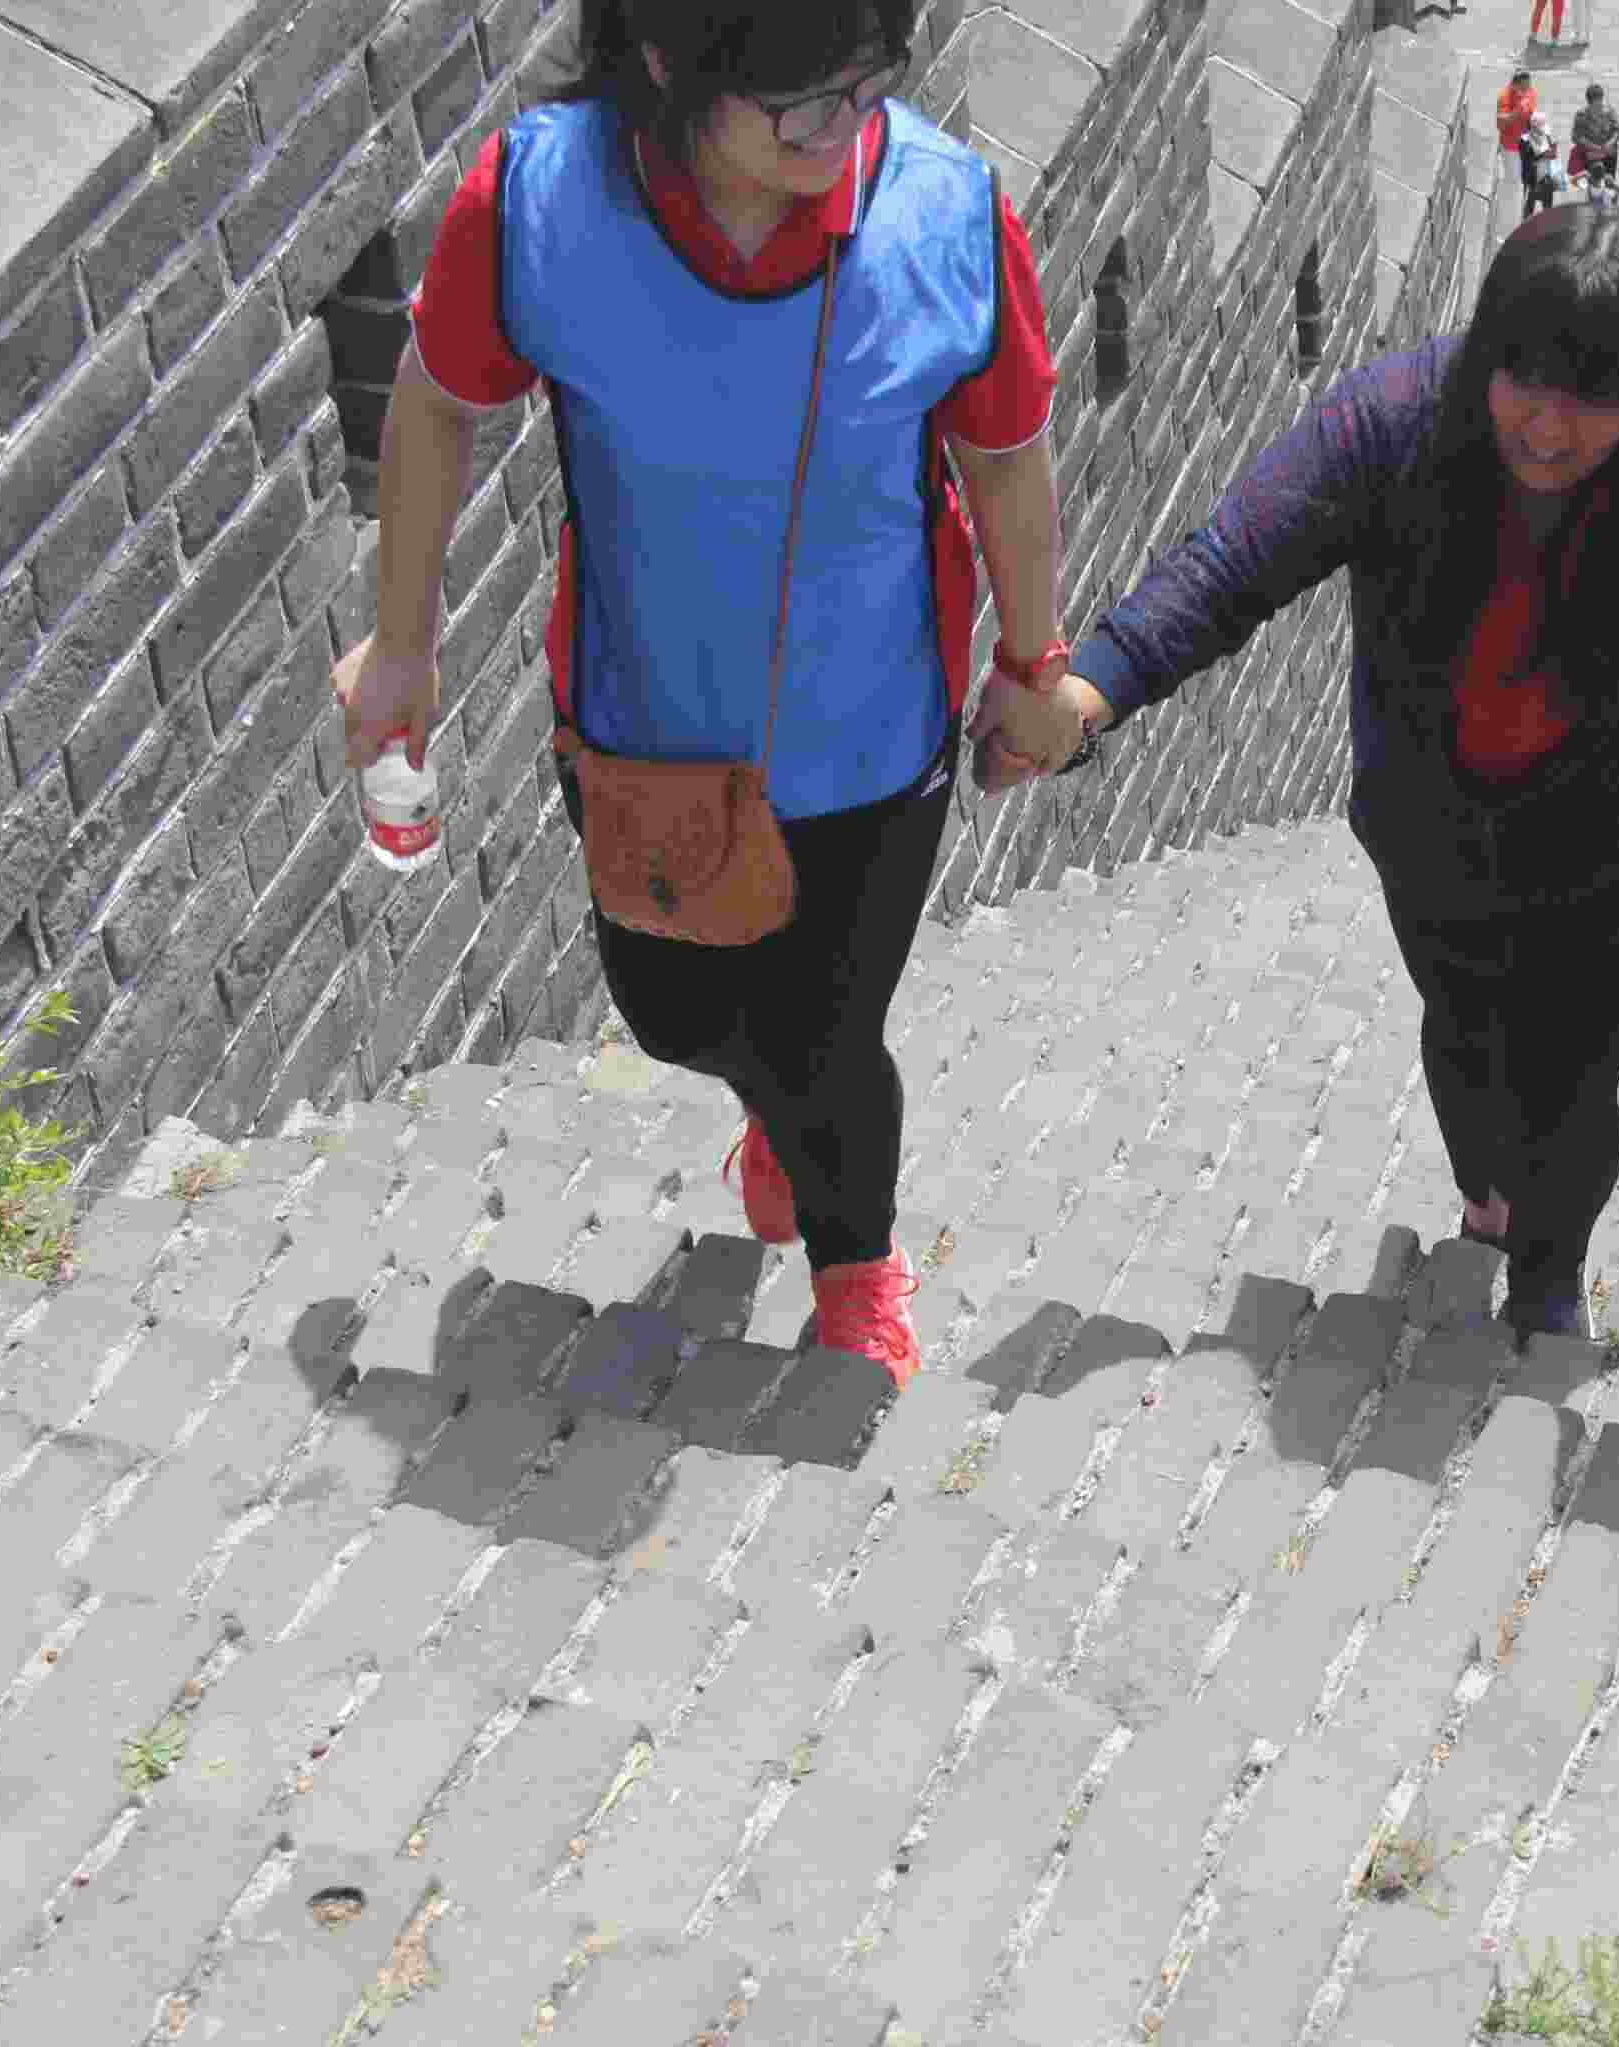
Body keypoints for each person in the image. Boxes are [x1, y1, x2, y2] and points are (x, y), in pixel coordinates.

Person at [338, 0, 1087, 1384]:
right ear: (666, 62)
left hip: (871, 738)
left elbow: (1006, 458)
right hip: (643, 727)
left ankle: (855, 1267)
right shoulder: (540, 204)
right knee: (672, 1014)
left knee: (828, 1040)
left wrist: (1034, 663)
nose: (845, 128)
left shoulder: (948, 221)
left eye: (872, 81)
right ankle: (769, 1104)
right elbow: (437, 398)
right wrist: (402, 643)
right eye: (801, 102)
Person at [1040, 208, 1619, 1340]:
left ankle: (1546, 1281)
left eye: (1591, 397)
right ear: (1486, 349)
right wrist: (1088, 694)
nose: (1546, 427)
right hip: (1435, 818)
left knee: (1573, 1076)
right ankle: (1488, 1197)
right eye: (1524, 380)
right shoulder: (1397, 414)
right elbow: (1233, 563)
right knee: (1464, 1033)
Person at [1568, 85, 1619, 197]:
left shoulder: (1609, 111)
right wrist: (1593, 146)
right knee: (1594, 183)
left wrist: (1610, 142)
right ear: (1589, 102)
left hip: (1609, 154)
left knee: (1609, 183)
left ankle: (1610, 203)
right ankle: (1593, 202)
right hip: (1592, 156)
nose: (1600, 105)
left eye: (1600, 100)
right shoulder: (1581, 115)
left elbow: (1618, 131)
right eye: (1596, 103)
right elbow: (1576, 136)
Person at [1518, 118, 1563, 215]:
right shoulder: (1525, 140)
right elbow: (1526, 156)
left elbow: (1553, 155)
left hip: (1545, 180)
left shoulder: (1547, 138)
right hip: (1533, 180)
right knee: (1530, 206)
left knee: (1545, 209)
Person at [1496, 70, 1539, 160]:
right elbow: (1500, 124)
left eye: (1528, 86)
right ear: (1514, 85)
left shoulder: (1531, 92)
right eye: (1523, 88)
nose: (1527, 90)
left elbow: (1532, 115)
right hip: (1511, 147)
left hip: (1528, 144)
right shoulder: (1505, 96)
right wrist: (1516, 112)